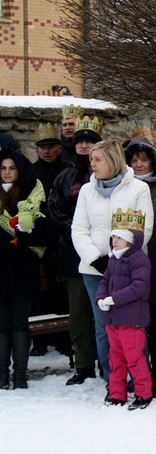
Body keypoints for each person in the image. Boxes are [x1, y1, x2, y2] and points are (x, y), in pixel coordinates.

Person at [71, 138, 154, 385]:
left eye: (97, 159)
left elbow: (144, 228)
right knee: (103, 327)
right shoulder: (87, 190)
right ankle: (113, 380)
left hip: (130, 271)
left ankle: (138, 380)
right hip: (95, 271)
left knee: (132, 326)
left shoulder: (138, 189)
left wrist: (118, 257)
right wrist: (95, 259)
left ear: (113, 160)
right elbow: (78, 228)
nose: (92, 164)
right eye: (91, 160)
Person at [48, 116, 102, 385]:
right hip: (73, 254)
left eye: (89, 141)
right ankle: (83, 365)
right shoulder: (65, 176)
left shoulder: (108, 175)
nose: (83, 146)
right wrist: (78, 226)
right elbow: (54, 209)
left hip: (105, 253)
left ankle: (108, 363)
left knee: (105, 312)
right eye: (79, 141)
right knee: (79, 315)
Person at [124, 135, 156, 395]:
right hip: (129, 266)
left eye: (144, 159)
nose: (139, 164)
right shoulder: (123, 189)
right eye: (134, 160)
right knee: (133, 326)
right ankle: (137, 374)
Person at [0, 148, 49, 389]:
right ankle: (1, 374)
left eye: (12, 168)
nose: (7, 173)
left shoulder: (32, 196)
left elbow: (42, 232)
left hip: (23, 268)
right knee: (1, 324)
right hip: (1, 268)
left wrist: (21, 242)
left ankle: (20, 374)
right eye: (3, 168)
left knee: (20, 322)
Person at [95, 209, 152, 410]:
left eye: (120, 237)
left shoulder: (139, 259)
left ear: (131, 240)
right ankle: (117, 393)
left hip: (132, 319)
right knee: (115, 357)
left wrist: (114, 299)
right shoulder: (114, 259)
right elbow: (105, 280)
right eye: (114, 237)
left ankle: (143, 393)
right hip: (113, 319)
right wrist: (101, 297)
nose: (115, 241)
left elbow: (139, 287)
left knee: (134, 356)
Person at [31, 123, 72, 357]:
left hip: (64, 236)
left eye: (50, 147)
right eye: (41, 147)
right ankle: (41, 340)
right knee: (42, 292)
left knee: (64, 291)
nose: (46, 151)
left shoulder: (68, 169)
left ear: (59, 147)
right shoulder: (31, 172)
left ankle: (65, 339)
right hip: (40, 238)